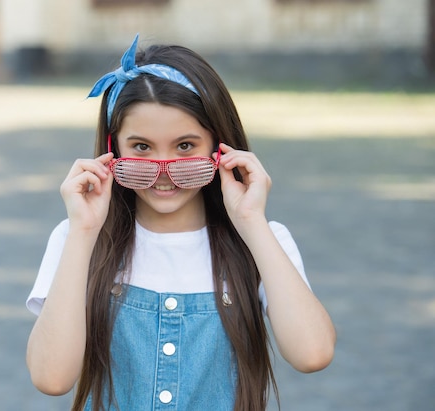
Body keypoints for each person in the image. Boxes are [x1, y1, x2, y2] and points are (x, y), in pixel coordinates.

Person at [25, 34, 336, 411]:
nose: (164, 171)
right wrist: (84, 232)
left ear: (219, 147)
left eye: (185, 147)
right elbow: (51, 378)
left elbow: (313, 353)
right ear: (112, 149)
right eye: (141, 148)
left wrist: (251, 220)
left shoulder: (262, 241)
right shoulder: (78, 238)